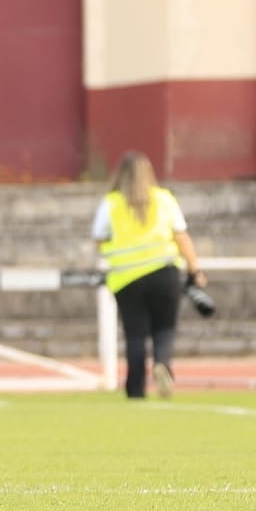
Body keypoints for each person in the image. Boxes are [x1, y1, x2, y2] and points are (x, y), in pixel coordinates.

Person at [92, 150, 208, 399]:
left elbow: (99, 240)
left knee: (135, 333)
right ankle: (162, 364)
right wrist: (195, 269)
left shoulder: (111, 203)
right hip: (164, 272)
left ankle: (135, 388)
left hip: (126, 278)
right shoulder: (164, 199)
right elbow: (181, 236)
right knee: (164, 327)